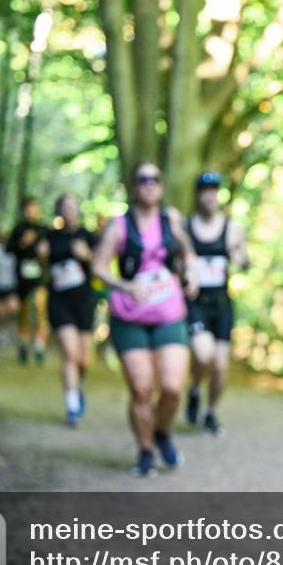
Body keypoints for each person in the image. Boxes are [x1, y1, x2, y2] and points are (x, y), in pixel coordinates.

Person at [92, 162, 199, 477]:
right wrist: (124, 285)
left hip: (169, 314)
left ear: (162, 185)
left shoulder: (173, 220)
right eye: (143, 180)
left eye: (155, 179)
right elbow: (98, 267)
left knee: (172, 388)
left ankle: (162, 431)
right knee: (141, 388)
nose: (149, 185)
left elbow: (188, 253)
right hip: (130, 316)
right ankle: (145, 450)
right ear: (133, 186)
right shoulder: (119, 226)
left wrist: (191, 273)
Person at [184, 171, 249, 434]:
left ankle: (210, 411)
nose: (209, 195)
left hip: (221, 304)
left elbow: (245, 262)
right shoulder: (186, 227)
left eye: (214, 190)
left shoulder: (232, 228)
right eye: (204, 190)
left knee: (221, 366)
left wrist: (238, 257)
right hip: (195, 303)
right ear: (198, 195)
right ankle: (196, 388)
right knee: (203, 354)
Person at [39, 194, 98, 427]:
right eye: (65, 207)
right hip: (58, 300)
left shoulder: (88, 236)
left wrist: (88, 256)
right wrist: (42, 257)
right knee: (70, 353)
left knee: (84, 360)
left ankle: (78, 386)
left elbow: (100, 265)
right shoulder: (48, 236)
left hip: (83, 300)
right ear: (58, 211)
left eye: (73, 207)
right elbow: (43, 269)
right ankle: (72, 405)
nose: (70, 211)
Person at [8, 197, 48, 365]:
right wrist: (23, 244)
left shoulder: (43, 229)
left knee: (40, 309)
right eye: (28, 209)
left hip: (40, 278)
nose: (31, 212)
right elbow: (9, 249)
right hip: (22, 278)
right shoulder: (18, 229)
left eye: (34, 208)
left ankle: (39, 345)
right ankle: (23, 344)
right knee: (23, 311)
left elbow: (49, 251)